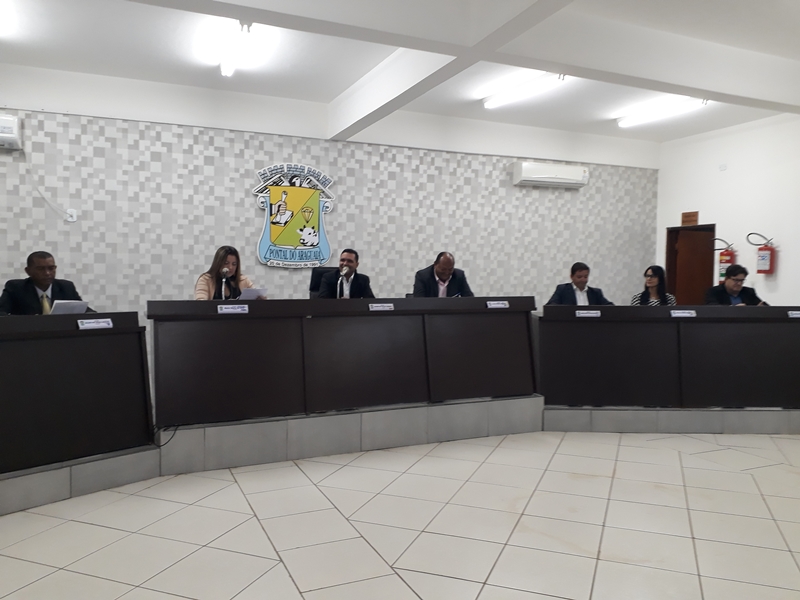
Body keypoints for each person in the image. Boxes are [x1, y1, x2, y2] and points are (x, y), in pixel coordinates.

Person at [0, 251, 86, 315]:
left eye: (51, 268)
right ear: (28, 271)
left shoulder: (66, 287)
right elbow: (2, 313)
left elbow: (84, 311)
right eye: (40, 269)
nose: (47, 273)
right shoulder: (16, 288)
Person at [195, 246, 265, 300]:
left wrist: (259, 299)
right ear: (218, 263)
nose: (230, 267)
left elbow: (256, 294)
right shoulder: (206, 279)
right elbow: (201, 304)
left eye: (234, 264)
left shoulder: (243, 280)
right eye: (226, 263)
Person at [546, 262, 614, 306]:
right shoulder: (562, 290)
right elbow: (551, 306)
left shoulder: (595, 293)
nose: (583, 280)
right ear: (571, 277)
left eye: (585, 277)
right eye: (579, 277)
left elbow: (610, 306)